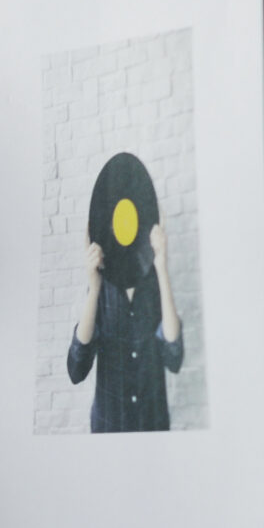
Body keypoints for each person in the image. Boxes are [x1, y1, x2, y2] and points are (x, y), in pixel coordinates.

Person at [64, 152, 183, 431]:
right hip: (109, 429)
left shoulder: (154, 281)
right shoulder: (101, 286)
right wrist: (94, 287)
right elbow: (76, 369)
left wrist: (162, 268)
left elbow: (174, 357)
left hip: (153, 428)